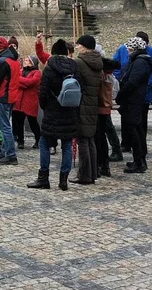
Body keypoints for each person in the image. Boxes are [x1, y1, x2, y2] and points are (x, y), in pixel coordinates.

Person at [27, 39, 78, 191]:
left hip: (52, 112)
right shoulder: (75, 67)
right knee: (67, 145)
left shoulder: (49, 68)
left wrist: (45, 107)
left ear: (54, 52)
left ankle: (43, 178)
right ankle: (64, 180)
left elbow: (42, 92)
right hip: (69, 111)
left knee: (44, 143)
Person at [112, 30, 152, 154]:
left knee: (141, 122)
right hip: (127, 93)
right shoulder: (122, 49)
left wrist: (146, 85)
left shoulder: (149, 54)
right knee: (126, 119)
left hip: (142, 94)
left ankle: (139, 147)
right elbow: (116, 67)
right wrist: (119, 81)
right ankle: (126, 143)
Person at [116, 36, 151, 173]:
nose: (128, 51)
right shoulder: (138, 60)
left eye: (129, 49)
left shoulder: (140, 62)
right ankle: (139, 160)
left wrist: (120, 95)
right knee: (136, 129)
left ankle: (140, 162)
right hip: (133, 100)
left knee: (135, 130)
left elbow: (132, 82)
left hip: (133, 101)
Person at [72, 35, 103, 185]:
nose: (77, 47)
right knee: (90, 139)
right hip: (93, 103)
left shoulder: (79, 62)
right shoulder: (98, 61)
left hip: (82, 104)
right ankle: (92, 173)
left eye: (78, 45)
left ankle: (84, 175)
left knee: (82, 140)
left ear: (84, 47)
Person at [0, 37, 21, 165]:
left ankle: (10, 155)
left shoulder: (2, 61)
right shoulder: (14, 61)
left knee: (4, 126)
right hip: (11, 96)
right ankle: (6, 151)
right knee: (6, 125)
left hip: (3, 96)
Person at [96, 55, 121, 177]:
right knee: (103, 136)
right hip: (106, 109)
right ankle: (104, 165)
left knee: (99, 137)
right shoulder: (112, 79)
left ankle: (100, 165)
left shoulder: (104, 78)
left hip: (99, 109)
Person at [15, 55, 41, 149]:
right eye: (25, 60)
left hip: (30, 100)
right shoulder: (21, 71)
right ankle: (20, 141)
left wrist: (21, 81)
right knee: (19, 122)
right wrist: (24, 82)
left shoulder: (37, 72)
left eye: (27, 60)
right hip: (19, 100)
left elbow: (31, 82)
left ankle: (38, 139)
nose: (25, 61)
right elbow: (16, 82)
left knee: (32, 122)